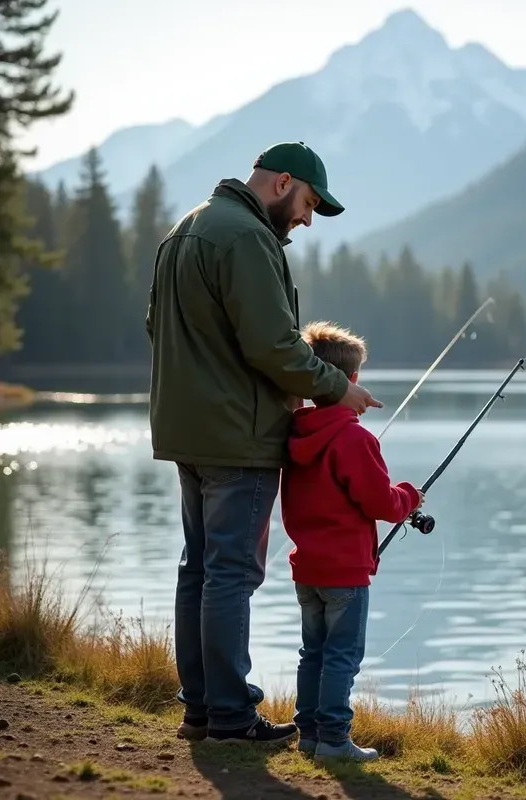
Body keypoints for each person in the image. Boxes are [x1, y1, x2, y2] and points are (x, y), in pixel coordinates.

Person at [145, 141, 383, 745]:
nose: (306, 219)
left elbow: (158, 328)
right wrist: (338, 389)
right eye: (307, 203)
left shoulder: (185, 230)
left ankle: (201, 709)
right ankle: (228, 715)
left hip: (188, 431)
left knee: (198, 569)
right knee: (230, 573)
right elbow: (274, 346)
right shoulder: (247, 239)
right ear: (281, 183)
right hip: (238, 437)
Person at [280, 321, 424, 762]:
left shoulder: (294, 433)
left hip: (307, 568)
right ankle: (335, 741)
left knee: (314, 653)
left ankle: (308, 734)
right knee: (342, 656)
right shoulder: (355, 438)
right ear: (353, 381)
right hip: (345, 571)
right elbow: (381, 503)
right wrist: (410, 496)